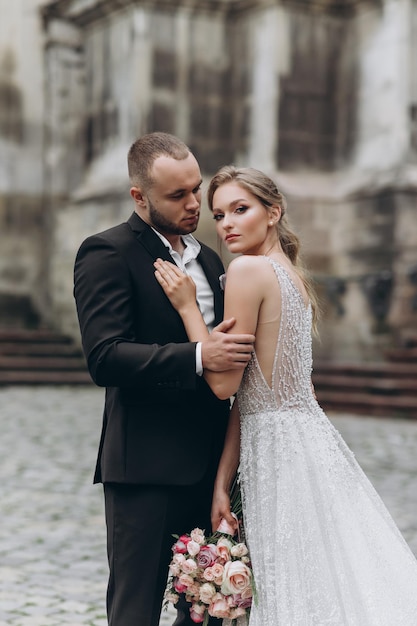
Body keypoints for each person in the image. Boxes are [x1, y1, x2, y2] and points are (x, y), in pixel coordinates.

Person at [154, 165, 417, 625]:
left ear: (273, 212)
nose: (228, 224)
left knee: (290, 584)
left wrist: (187, 308)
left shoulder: (247, 271)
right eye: (219, 215)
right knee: (325, 576)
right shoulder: (291, 276)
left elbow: (223, 385)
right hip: (307, 444)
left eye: (241, 209)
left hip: (278, 457)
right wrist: (222, 481)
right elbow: (254, 399)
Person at [73, 133, 255, 626]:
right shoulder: (106, 252)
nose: (195, 204)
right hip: (145, 471)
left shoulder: (213, 261)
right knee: (135, 612)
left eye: (196, 189)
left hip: (212, 470)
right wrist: (198, 354)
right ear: (139, 197)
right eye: (178, 195)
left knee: (211, 612)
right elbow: (106, 358)